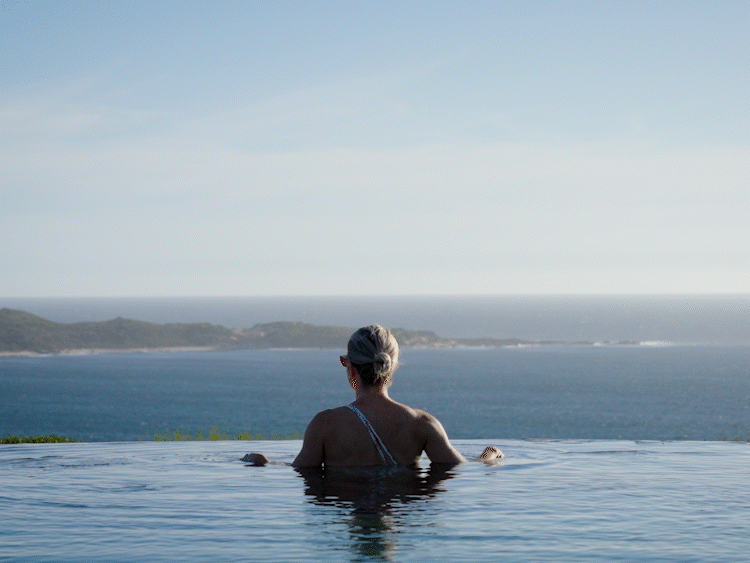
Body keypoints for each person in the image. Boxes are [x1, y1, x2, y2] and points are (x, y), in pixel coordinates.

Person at [242, 325, 503, 467]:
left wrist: (262, 461)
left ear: (348, 365)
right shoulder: (422, 425)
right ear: (394, 365)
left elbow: (301, 472)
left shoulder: (325, 425)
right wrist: (490, 453)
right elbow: (465, 469)